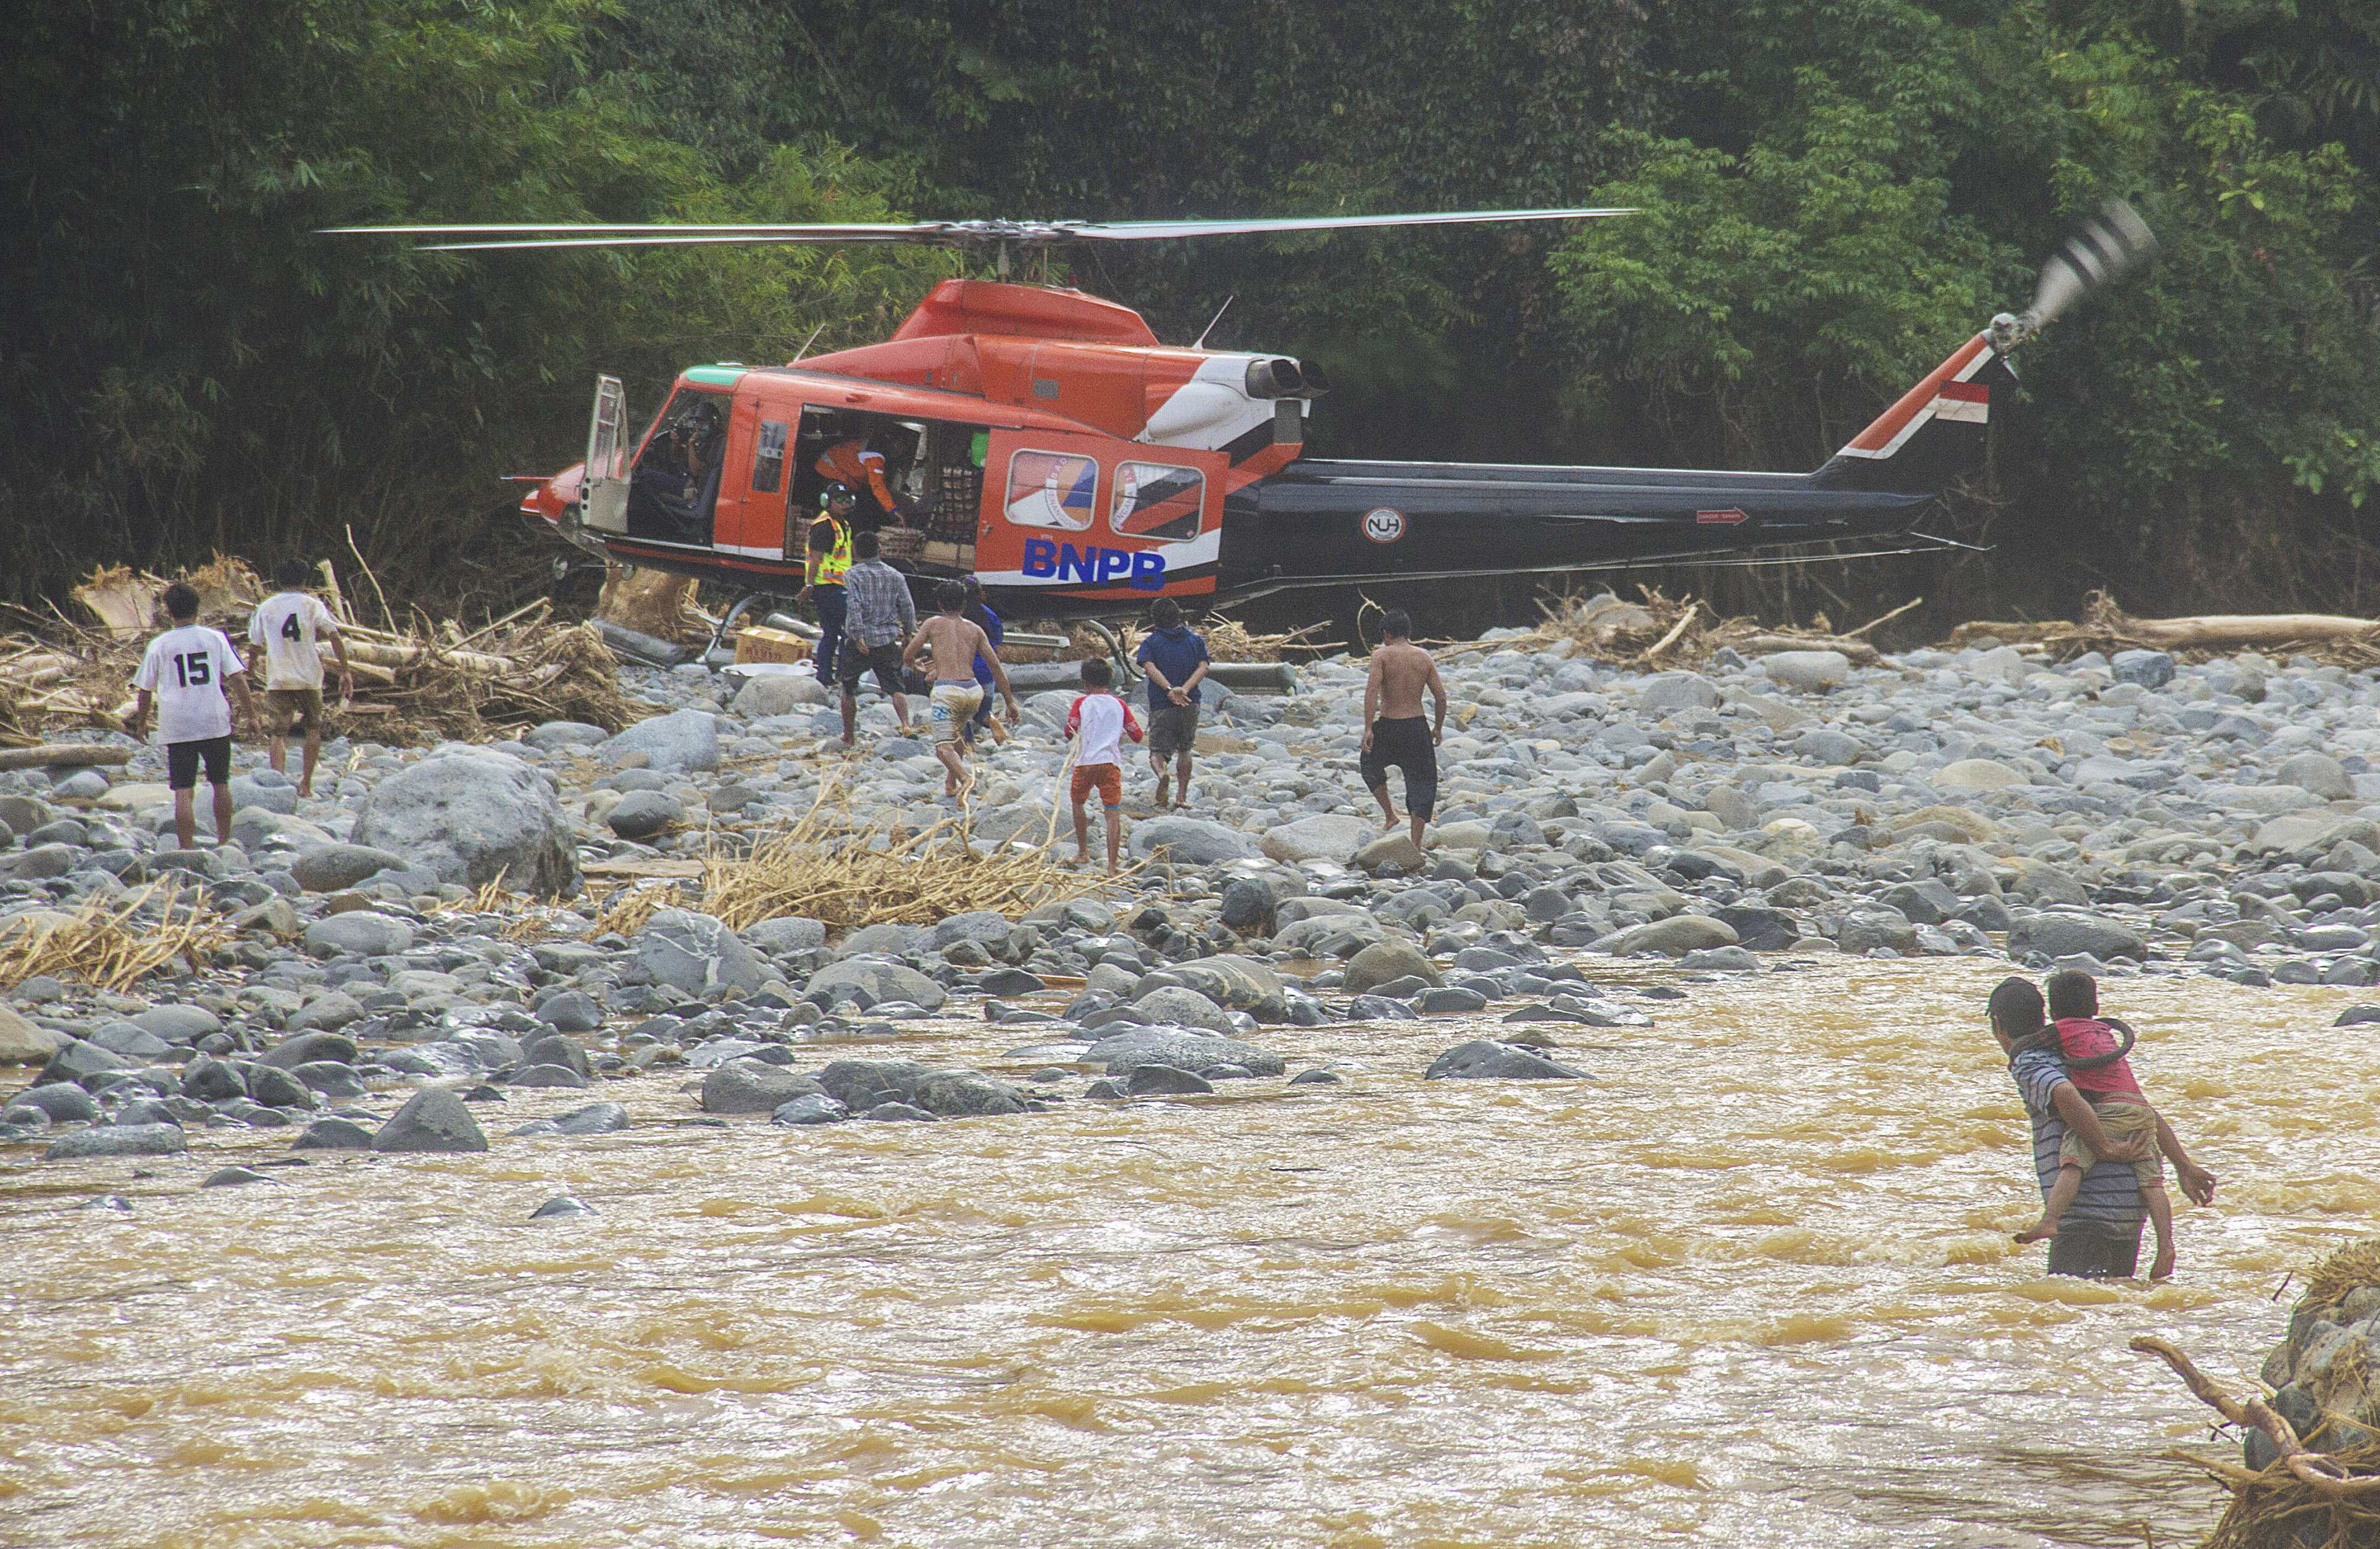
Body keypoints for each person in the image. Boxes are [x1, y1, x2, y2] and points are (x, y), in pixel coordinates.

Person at [1988, 977, 2215, 1280]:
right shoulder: (2082, 1051)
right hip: (2129, 1210)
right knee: (2113, 1301)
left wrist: (2103, 1148)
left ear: (1997, 1026)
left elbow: (2064, 1092)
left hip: (2086, 1214)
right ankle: (2165, 1248)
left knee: (2071, 1304)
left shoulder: (2030, 1061)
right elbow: (2140, 1110)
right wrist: (2183, 1166)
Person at [130, 581, 258, 851]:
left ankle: (186, 848)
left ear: (168, 611)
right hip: (213, 720)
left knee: (183, 791)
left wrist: (141, 723)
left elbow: (145, 689)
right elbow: (238, 679)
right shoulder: (215, 638)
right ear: (198, 608)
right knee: (221, 783)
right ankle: (224, 841)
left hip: (177, 724)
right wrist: (252, 715)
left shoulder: (159, 644)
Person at [245, 558, 353, 798]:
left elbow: (255, 645)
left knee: (278, 734)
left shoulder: (266, 607)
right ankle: (306, 785)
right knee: (313, 730)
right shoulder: (312, 605)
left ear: (278, 580)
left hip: (279, 677)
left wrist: (250, 672)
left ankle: (279, 784)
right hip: (309, 676)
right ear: (305, 580)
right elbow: (334, 636)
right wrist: (345, 670)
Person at [903, 580, 1021, 797]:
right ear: (964, 605)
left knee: (942, 748)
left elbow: (909, 654)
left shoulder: (932, 624)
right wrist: (1010, 702)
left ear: (940, 604)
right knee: (957, 737)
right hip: (973, 691)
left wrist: (915, 665)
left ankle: (966, 779)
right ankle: (951, 784)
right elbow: (995, 666)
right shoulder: (975, 630)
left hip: (947, 692)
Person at [1359, 609, 1448, 846]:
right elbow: (1441, 698)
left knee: (1369, 765)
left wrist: (1368, 728)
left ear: (1386, 634)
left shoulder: (1381, 655)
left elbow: (1371, 692)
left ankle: (1390, 815)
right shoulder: (1424, 657)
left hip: (1389, 726)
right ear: (1409, 633)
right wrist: (1438, 728)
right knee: (1422, 783)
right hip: (1417, 728)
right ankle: (1416, 845)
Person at [837, 528, 917, 747]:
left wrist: (857, 635)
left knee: (849, 688)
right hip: (887, 640)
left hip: (862, 642)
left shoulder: (852, 574)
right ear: (879, 549)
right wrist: (908, 632)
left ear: (855, 551)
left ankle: (849, 737)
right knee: (896, 686)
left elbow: (854, 606)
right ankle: (906, 725)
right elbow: (907, 606)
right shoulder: (896, 575)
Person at [1063, 658, 1143, 874]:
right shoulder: (1120, 704)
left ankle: (1083, 852)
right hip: (1110, 763)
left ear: (1085, 683)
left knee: (1078, 803)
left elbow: (1070, 731)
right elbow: (1137, 735)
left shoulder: (1081, 703)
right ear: (1109, 682)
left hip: (1086, 763)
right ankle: (1112, 866)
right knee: (1113, 814)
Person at [1134, 596, 1210, 809]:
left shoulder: (1151, 643)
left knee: (1157, 752)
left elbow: (1149, 668)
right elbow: (1204, 667)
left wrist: (1169, 690)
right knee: (1185, 750)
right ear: (1179, 617)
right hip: (1190, 702)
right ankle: (1181, 797)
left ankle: (1162, 774)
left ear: (1154, 620)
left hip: (1162, 703)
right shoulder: (1196, 641)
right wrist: (1185, 689)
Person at [798, 483, 856, 686]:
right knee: (850, 630)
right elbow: (815, 558)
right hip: (828, 587)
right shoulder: (824, 526)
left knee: (831, 633)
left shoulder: (843, 525)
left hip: (837, 586)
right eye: (840, 500)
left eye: (848, 500)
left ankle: (825, 676)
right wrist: (809, 586)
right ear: (828, 502)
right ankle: (842, 675)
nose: (845, 504)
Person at [814, 436, 904, 529]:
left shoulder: (876, 446)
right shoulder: (876, 456)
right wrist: (893, 511)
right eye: (899, 445)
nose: (900, 449)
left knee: (865, 502)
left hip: (843, 474)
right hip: (830, 470)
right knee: (853, 511)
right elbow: (877, 486)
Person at [960, 576, 1008, 748]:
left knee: (961, 712)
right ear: (980, 593)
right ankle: (992, 721)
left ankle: (969, 744)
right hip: (987, 672)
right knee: (983, 712)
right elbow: (997, 645)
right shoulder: (991, 616)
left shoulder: (955, 618)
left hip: (964, 672)